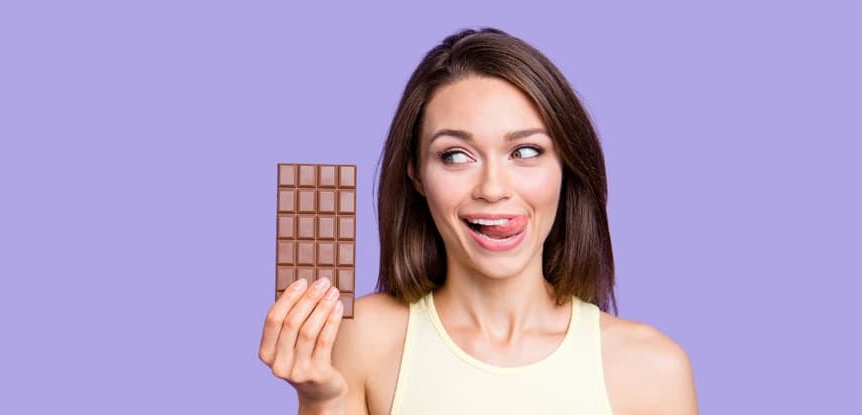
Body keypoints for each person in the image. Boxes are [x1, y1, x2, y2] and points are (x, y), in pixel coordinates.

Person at [259, 27, 698, 414]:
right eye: (455, 155)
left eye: (525, 152)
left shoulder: (653, 368)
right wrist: (321, 403)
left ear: (566, 166)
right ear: (415, 174)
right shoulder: (363, 339)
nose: (492, 187)